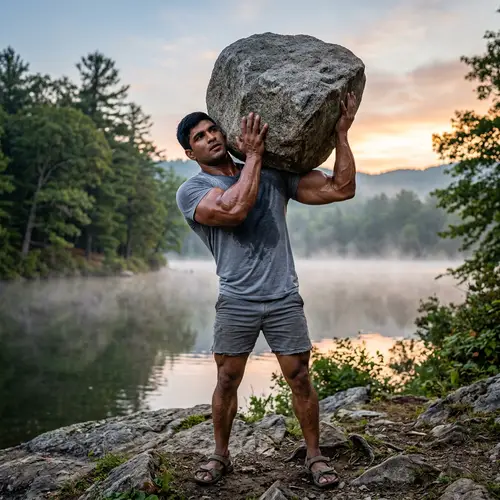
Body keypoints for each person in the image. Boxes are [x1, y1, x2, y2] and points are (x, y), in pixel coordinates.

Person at [175, 92, 358, 489]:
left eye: (212, 129)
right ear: (191, 153)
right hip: (237, 300)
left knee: (300, 377)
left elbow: (341, 189)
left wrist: (341, 134)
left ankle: (315, 456)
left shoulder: (273, 173)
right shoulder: (192, 191)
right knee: (226, 380)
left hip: (283, 298)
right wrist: (255, 157)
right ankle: (220, 455)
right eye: (199, 137)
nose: (210, 137)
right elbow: (232, 210)